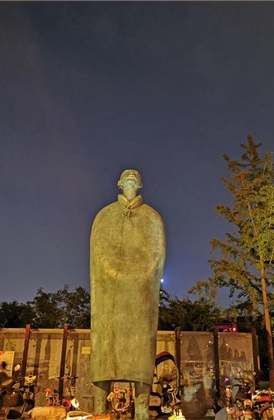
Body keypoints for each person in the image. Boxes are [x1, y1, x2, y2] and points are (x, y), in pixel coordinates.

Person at [90, 169, 166, 420]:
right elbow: (98, 252)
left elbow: (157, 254)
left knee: (140, 353)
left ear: (140, 184)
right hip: (108, 296)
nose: (131, 177)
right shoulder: (104, 215)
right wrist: (115, 275)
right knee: (105, 348)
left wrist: (138, 277)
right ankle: (100, 409)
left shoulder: (152, 217)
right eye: (126, 176)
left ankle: (141, 409)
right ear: (119, 183)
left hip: (140, 295)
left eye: (135, 176)